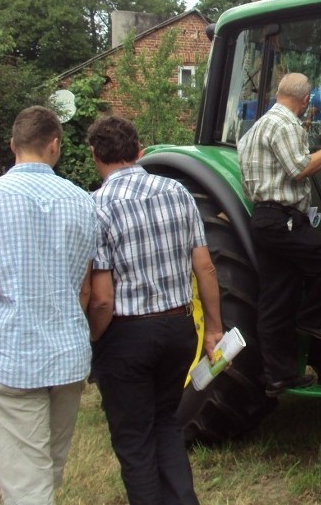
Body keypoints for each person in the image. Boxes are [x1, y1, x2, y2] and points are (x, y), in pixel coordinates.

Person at [86, 115, 223, 505]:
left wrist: (94, 339)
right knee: (165, 423)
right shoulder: (178, 192)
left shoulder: (96, 205)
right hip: (179, 328)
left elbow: (101, 298)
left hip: (127, 333)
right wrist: (213, 328)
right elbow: (206, 267)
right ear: (139, 150)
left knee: (134, 441)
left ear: (95, 154)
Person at [0, 105, 97, 504]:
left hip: (15, 355)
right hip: (68, 355)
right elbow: (89, 292)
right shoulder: (84, 202)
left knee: (25, 483)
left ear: (13, 145)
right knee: (48, 468)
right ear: (55, 146)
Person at [237, 72, 321, 396]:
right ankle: (314, 319)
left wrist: (305, 131)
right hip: (284, 221)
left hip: (265, 219)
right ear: (305, 100)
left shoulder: (258, 127)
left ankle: (279, 376)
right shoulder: (285, 125)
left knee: (276, 300)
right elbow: (299, 168)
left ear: (279, 93)